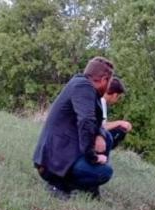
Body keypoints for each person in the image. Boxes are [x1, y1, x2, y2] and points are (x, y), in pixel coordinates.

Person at [33, 57, 115, 200]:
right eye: (109, 83)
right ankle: (58, 185)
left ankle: (91, 190)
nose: (108, 88)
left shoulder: (82, 84)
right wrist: (93, 157)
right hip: (52, 163)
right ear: (103, 79)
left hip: (62, 154)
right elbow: (86, 120)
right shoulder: (83, 87)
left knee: (107, 137)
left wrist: (100, 134)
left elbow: (95, 122)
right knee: (104, 172)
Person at [94, 77, 132, 159]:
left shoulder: (100, 99)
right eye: (119, 97)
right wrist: (120, 123)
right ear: (115, 95)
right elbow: (102, 126)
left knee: (119, 129)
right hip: (93, 137)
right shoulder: (102, 101)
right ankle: (101, 154)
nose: (118, 100)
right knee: (120, 130)